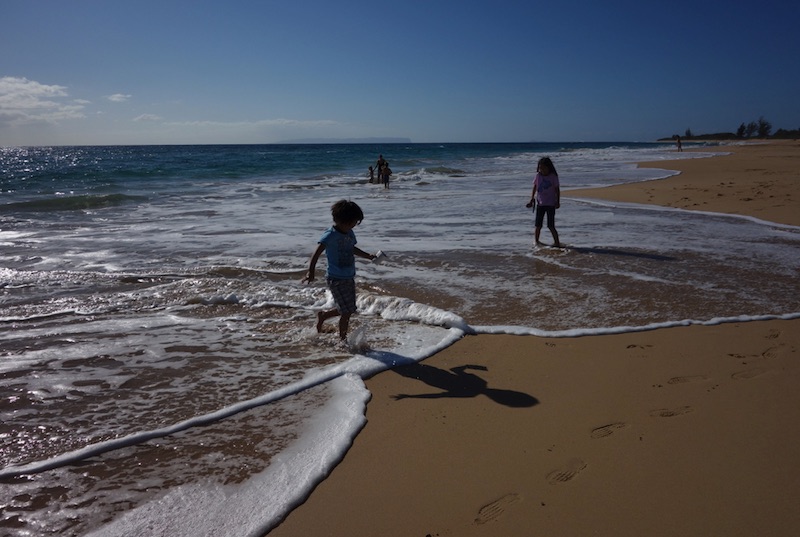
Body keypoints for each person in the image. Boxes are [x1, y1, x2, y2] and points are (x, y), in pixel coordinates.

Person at [302, 200, 378, 342]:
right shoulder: (330, 235)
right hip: (335, 278)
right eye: (350, 223)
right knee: (347, 311)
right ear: (338, 220)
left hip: (349, 276)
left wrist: (367, 255)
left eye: (355, 223)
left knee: (349, 308)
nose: (353, 226)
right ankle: (343, 340)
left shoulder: (349, 233)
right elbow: (316, 253)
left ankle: (323, 316)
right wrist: (310, 272)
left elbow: (352, 248)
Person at [526, 157, 561, 247]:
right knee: (538, 225)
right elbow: (535, 187)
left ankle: (557, 242)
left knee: (551, 225)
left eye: (544, 168)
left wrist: (557, 201)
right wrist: (531, 199)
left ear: (549, 167)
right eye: (540, 168)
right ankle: (536, 242)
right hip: (540, 204)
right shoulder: (538, 176)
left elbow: (557, 189)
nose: (542, 170)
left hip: (550, 204)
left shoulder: (553, 176)